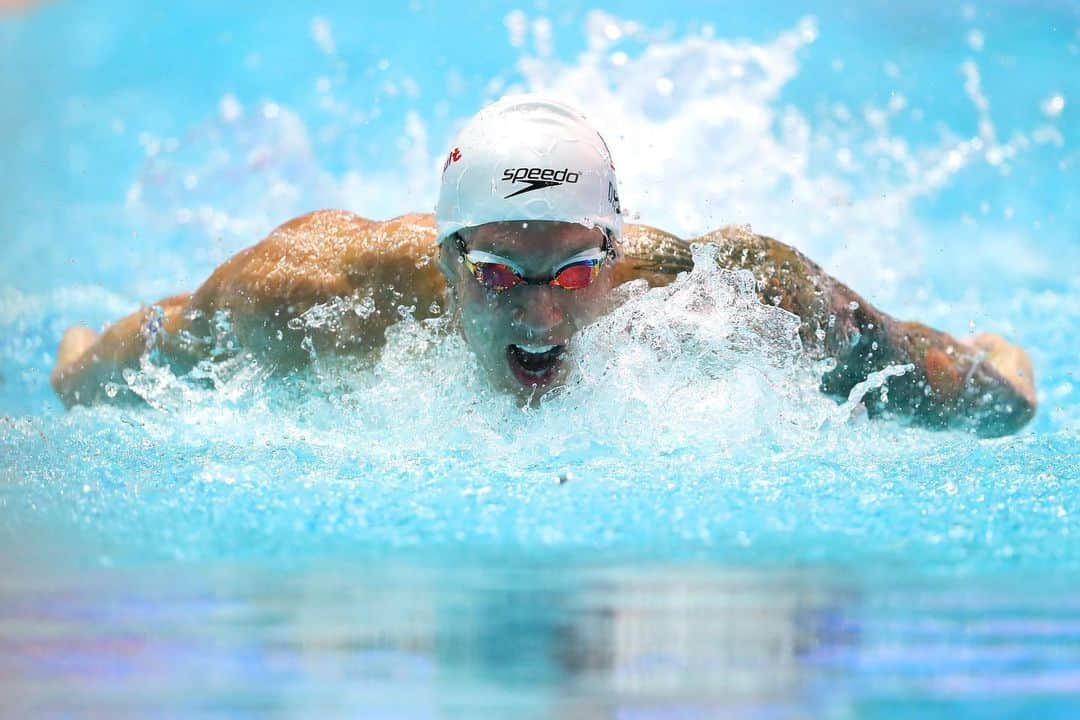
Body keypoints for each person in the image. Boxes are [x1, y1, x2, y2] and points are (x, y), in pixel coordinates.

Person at [50, 95, 1036, 437]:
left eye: (569, 278)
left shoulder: (721, 288)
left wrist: (992, 383)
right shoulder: (306, 289)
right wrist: (78, 364)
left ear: (615, 252)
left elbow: (941, 380)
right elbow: (128, 357)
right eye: (494, 276)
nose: (538, 316)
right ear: (442, 260)